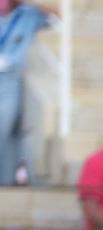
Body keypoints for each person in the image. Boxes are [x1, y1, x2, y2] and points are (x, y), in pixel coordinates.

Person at [0, 0, 56, 188]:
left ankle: (12, 177)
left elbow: (57, 14)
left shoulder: (27, 14)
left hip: (12, 77)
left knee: (12, 129)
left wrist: (27, 2)